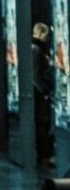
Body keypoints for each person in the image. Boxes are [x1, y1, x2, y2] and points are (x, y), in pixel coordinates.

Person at [33, 22, 55, 164]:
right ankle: (45, 153)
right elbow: (35, 74)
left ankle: (44, 153)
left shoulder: (35, 48)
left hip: (38, 91)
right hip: (39, 92)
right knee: (42, 123)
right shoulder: (37, 49)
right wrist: (44, 90)